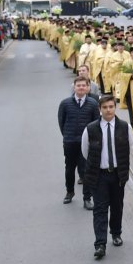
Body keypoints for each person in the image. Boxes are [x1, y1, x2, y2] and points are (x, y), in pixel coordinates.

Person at [82, 95, 132, 260]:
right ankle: (100, 244)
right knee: (100, 209)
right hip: (100, 175)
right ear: (100, 109)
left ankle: (116, 233)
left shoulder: (124, 127)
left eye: (111, 107)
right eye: (105, 107)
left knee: (117, 206)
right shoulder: (91, 128)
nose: (108, 110)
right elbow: (86, 151)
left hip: (118, 174)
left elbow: (128, 146)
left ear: (115, 108)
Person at [57, 76, 101, 207]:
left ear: (88, 88)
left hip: (87, 143)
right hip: (70, 141)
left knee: (86, 170)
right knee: (69, 168)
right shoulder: (65, 104)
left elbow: (97, 122)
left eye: (83, 85)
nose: (81, 87)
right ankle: (69, 192)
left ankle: (87, 198)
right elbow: (61, 121)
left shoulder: (93, 104)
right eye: (78, 85)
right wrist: (67, 136)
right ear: (74, 87)